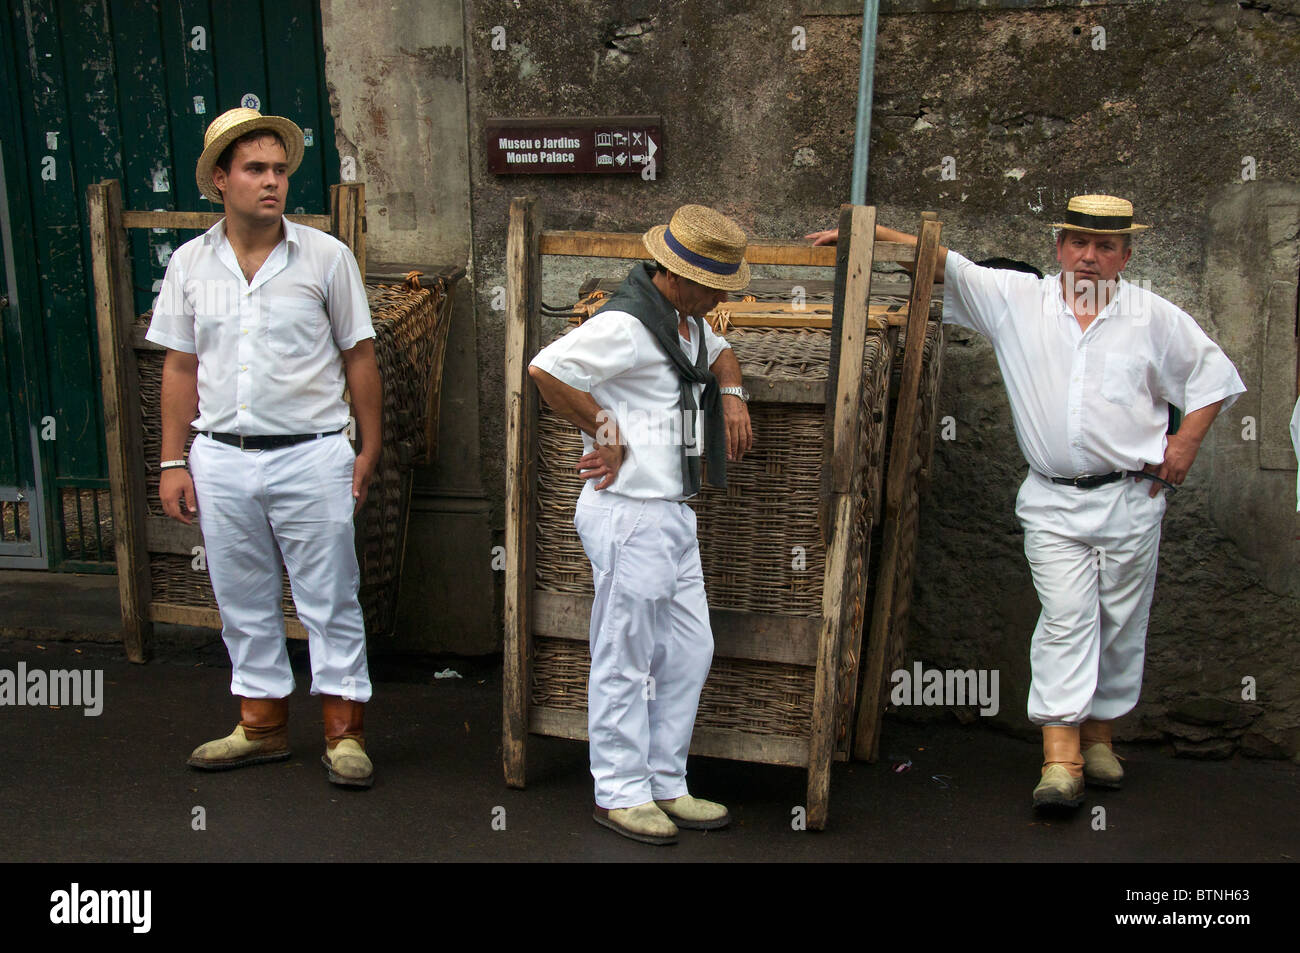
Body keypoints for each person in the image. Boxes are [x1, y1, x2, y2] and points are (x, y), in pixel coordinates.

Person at [808, 194, 1245, 811]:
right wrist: (867, 233)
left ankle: (1099, 737)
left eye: (1105, 247)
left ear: (1125, 255)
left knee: (1119, 622)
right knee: (1067, 616)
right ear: (1059, 248)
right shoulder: (1019, 301)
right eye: (1078, 244)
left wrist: (1184, 446)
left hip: (1131, 498)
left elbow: (1212, 376)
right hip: (1053, 502)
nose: (1089, 257)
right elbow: (942, 263)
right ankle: (1060, 758)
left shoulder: (1153, 316)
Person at [147, 107, 382, 788]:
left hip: (312, 451)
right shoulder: (190, 263)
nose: (272, 181)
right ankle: (261, 723)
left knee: (330, 595)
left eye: (279, 169)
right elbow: (180, 368)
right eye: (255, 169)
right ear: (220, 179)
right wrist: (171, 460)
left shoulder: (326, 257)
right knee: (241, 594)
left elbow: (359, 355)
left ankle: (345, 732)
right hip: (220, 453)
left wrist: (367, 449)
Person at [528, 204, 755, 844]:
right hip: (631, 513)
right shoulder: (629, 324)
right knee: (626, 656)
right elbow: (546, 369)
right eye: (713, 286)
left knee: (689, 650)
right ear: (677, 275)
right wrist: (609, 431)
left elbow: (723, 353)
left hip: (671, 516)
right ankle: (620, 792)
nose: (719, 299)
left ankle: (664, 781)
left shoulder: (682, 324)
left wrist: (731, 394)